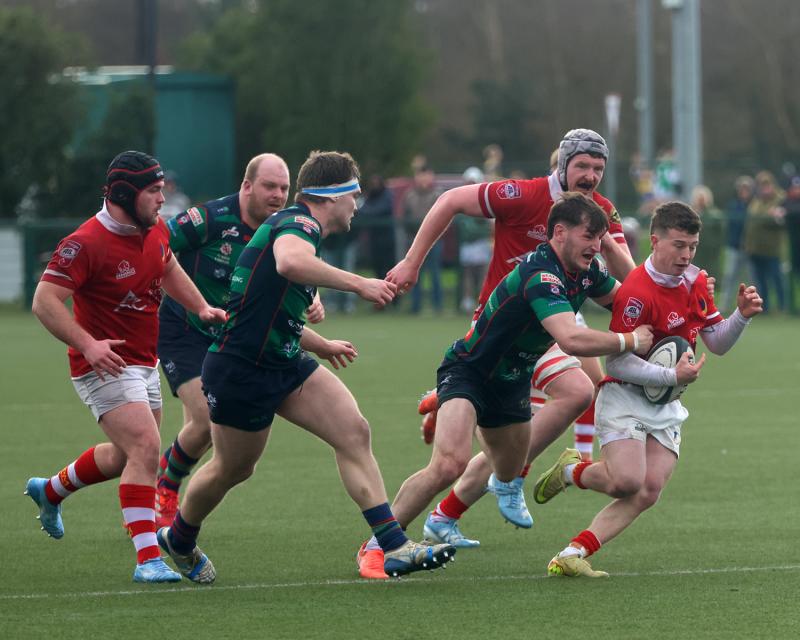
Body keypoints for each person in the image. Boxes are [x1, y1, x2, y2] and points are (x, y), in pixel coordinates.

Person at [156, 151, 455, 584]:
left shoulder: (300, 229)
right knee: (232, 468)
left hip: (283, 362)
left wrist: (320, 343)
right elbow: (289, 263)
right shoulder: (300, 224)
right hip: (241, 370)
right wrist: (360, 284)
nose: (356, 204)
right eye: (352, 195)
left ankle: (391, 545)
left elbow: (273, 310)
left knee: (353, 430)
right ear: (331, 196)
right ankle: (180, 539)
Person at [357, 193, 654, 579]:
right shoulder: (541, 273)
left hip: (512, 385)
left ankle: (449, 409)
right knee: (449, 464)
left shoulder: (586, 271)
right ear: (559, 232)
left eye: (600, 238)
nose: (597, 246)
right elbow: (571, 339)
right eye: (589, 236)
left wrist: (676, 294)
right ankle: (378, 545)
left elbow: (629, 302)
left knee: (509, 471)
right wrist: (631, 342)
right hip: (470, 372)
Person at [387, 129, 635, 553]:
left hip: (554, 318)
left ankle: (453, 499)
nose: (591, 176)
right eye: (582, 166)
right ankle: (508, 471)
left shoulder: (601, 214)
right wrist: (411, 262)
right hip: (503, 321)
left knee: (582, 389)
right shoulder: (523, 195)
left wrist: (607, 241)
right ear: (563, 165)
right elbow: (449, 201)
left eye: (598, 168)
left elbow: (629, 285)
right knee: (575, 389)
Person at [25, 150, 227, 583]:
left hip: (142, 361)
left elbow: (168, 266)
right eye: (154, 191)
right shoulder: (85, 242)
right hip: (101, 364)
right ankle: (148, 559)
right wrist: (88, 344)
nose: (161, 200)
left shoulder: (152, 229)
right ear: (123, 193)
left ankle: (51, 490)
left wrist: (202, 308)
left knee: (125, 455)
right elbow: (44, 301)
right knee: (144, 448)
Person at [537, 201, 762, 578]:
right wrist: (671, 378)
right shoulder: (637, 291)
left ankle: (573, 552)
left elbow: (717, 343)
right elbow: (618, 362)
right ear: (654, 241)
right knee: (626, 481)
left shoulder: (695, 281)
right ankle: (573, 472)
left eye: (692, 246)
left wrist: (741, 316)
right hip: (625, 396)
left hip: (665, 402)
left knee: (649, 489)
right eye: (678, 245)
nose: (686, 254)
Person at [154, 153, 325, 529]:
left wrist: (313, 297)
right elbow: (156, 245)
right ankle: (165, 487)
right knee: (203, 421)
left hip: (232, 340)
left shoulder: (284, 227)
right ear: (246, 186)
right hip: (185, 330)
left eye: (284, 187)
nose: (279, 194)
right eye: (269, 186)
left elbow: (294, 267)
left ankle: (169, 482)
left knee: (207, 433)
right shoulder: (211, 219)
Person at [403, 165, 443, 313]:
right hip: (413, 241)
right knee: (413, 273)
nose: (423, 178)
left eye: (427, 174)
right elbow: (405, 217)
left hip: (434, 241)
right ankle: (415, 307)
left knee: (435, 274)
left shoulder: (438, 194)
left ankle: (438, 306)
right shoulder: (410, 195)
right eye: (421, 175)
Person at [744, 171, 786, 313]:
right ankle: (765, 308)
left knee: (777, 279)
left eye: (767, 185)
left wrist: (768, 216)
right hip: (755, 249)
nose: (765, 188)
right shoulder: (756, 202)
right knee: (761, 282)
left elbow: (775, 219)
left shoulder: (780, 199)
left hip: (772, 249)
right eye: (762, 185)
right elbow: (752, 221)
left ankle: (783, 307)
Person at [457, 167, 493, 312]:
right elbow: (466, 227)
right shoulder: (461, 199)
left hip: (481, 243)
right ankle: (467, 301)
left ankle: (483, 300)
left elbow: (488, 224)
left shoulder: (484, 199)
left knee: (484, 273)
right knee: (468, 273)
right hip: (468, 244)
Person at [720, 176, 754, 311]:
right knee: (729, 277)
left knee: (750, 279)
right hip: (734, 247)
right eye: (742, 188)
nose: (744, 191)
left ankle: (751, 305)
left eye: (747, 189)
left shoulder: (754, 205)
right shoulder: (733, 205)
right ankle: (724, 306)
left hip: (749, 249)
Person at [689, 184, 724, 280]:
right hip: (696, 250)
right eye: (699, 198)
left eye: (703, 198)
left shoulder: (715, 214)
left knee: (710, 276)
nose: (701, 200)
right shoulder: (691, 214)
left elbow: (720, 233)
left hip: (710, 251)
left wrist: (715, 246)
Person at [782, 176, 800, 313]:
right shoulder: (787, 201)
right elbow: (785, 208)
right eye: (794, 188)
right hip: (794, 249)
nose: (797, 191)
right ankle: (792, 308)